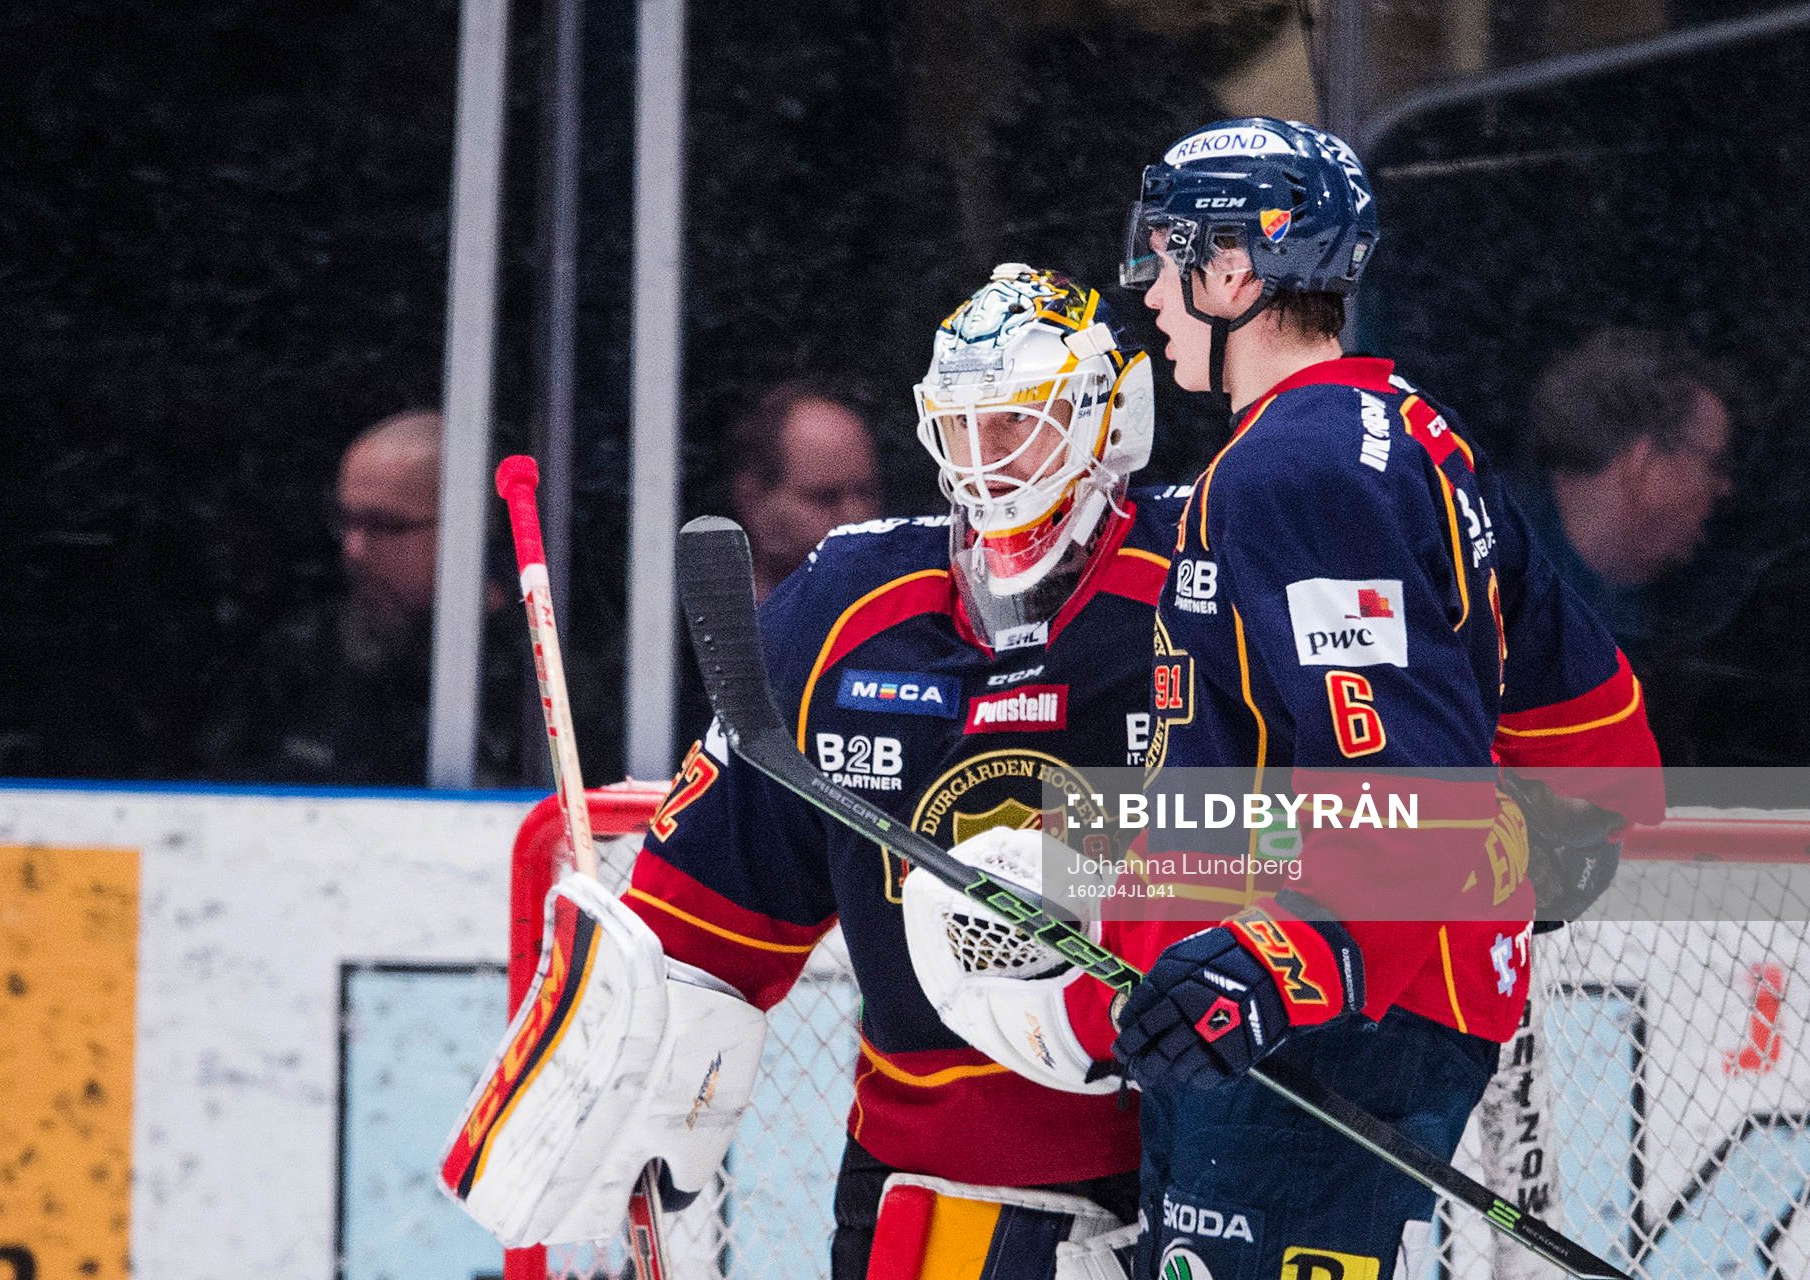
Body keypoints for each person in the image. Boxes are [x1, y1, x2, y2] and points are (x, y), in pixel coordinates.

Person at [448, 254, 1660, 1280]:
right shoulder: (845, 604)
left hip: (1204, 1136)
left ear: (1107, 424)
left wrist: (1284, 941)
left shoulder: (1217, 560)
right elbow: (693, 927)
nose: (991, 461)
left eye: (1022, 424)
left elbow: (1405, 796)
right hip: (946, 1181)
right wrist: (657, 1109)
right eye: (964, 426)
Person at [907, 120, 1663, 1280]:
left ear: (1233, 272)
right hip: (1340, 1011)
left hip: (1325, 1032)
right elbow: (1597, 752)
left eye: (1163, 257)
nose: (1144, 289)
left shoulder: (1290, 468)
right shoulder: (1413, 433)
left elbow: (1410, 800)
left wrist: (1272, 958)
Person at [198, 410, 520, 785]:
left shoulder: (541, 684)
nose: (353, 550)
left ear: (467, 528)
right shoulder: (301, 656)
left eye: (384, 525)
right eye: (345, 521)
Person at [1518, 326, 1735, 661]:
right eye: (1715, 464)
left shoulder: (1660, 620)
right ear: (1645, 464)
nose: (1725, 488)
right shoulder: (1485, 573)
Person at [726, 383, 883, 600]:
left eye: (866, 493)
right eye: (825, 498)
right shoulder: (681, 621)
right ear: (753, 501)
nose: (856, 519)